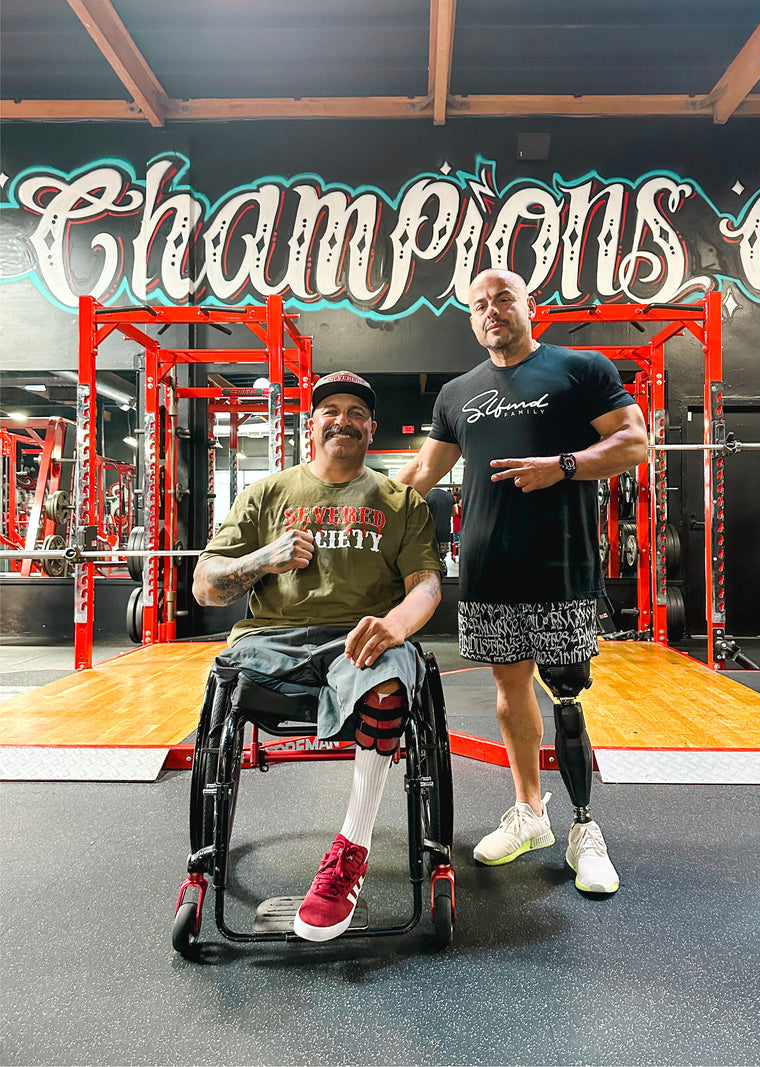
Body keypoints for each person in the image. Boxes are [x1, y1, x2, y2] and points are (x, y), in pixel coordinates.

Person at [396, 269, 648, 895]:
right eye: (479, 305)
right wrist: (334, 502)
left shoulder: (579, 369)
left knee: (565, 693)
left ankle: (585, 828)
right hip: (489, 568)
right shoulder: (457, 394)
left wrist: (562, 466)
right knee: (509, 691)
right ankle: (531, 812)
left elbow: (635, 443)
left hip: (559, 565)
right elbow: (422, 474)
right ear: (471, 320)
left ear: (528, 306)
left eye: (503, 298)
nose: (491, 311)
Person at [192, 370, 441, 941]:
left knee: (390, 681)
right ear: (311, 425)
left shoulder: (399, 501)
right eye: (331, 409)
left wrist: (394, 625)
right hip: (271, 639)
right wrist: (263, 559)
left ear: (371, 428)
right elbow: (206, 586)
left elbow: (426, 584)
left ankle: (351, 847)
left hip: (359, 637)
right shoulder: (266, 495)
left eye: (357, 412)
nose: (344, 419)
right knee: (228, 685)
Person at [425, 486, 455, 578]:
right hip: (445, 530)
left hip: (431, 531)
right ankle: (442, 565)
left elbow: (424, 513)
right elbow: (455, 512)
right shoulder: (449, 496)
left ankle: (433, 571)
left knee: (431, 553)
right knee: (442, 553)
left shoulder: (428, 496)